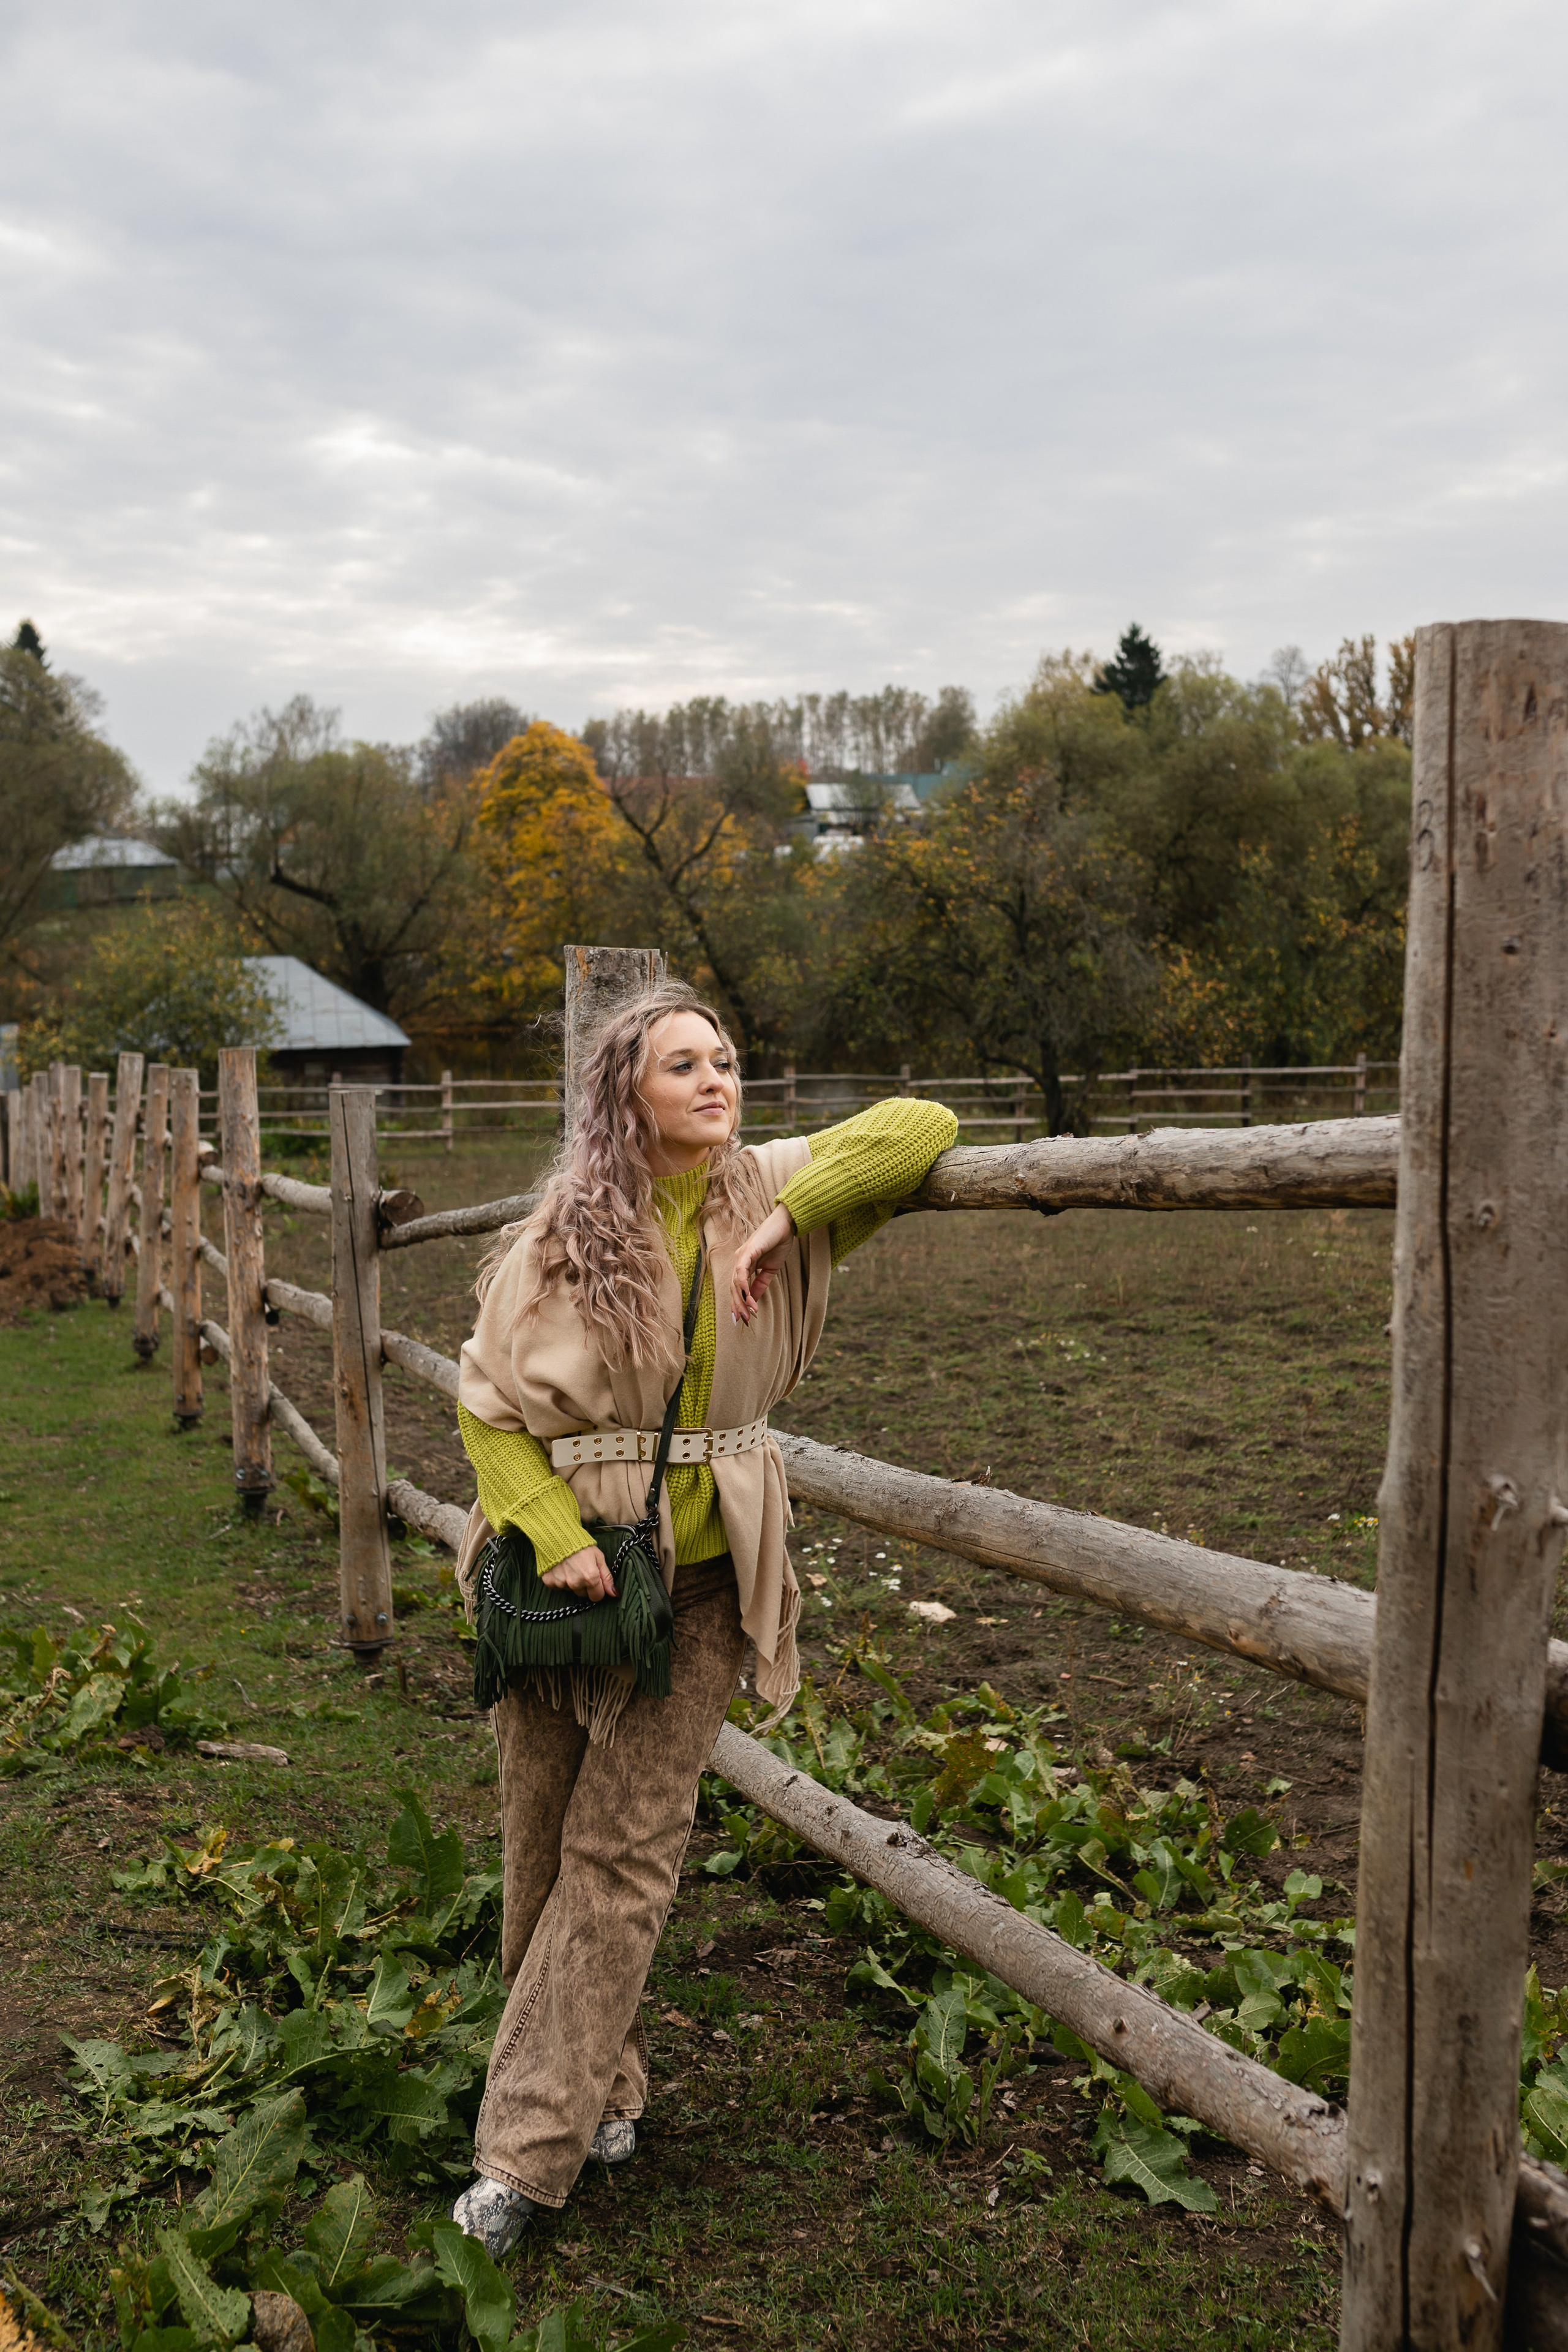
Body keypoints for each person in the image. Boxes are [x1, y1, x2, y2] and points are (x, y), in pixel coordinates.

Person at [449, 981, 956, 2255]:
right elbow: (485, 1409)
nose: (717, 1081)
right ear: (626, 1092)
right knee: (540, 1847)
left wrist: (782, 1221)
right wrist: (555, 1535)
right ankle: (604, 2095)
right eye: (684, 1065)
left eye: (725, 1060)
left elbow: (922, 1124)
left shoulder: (768, 1184)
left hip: (709, 1579)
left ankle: (521, 2155)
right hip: (560, 1578)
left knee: (625, 1851)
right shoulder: (559, 1237)